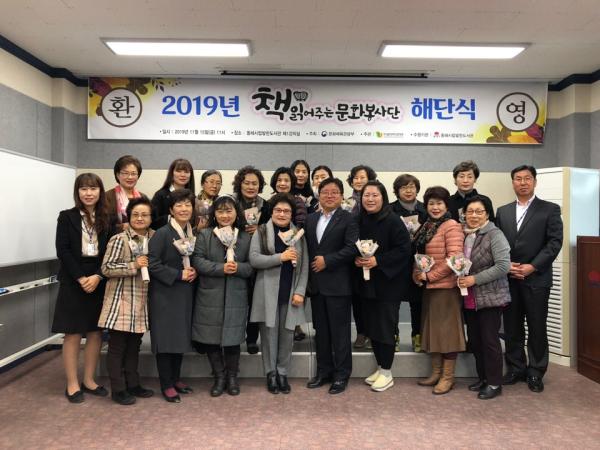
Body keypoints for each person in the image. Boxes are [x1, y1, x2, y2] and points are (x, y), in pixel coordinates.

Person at [496, 165, 563, 393]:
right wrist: (506, 265)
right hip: (509, 277)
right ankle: (516, 368)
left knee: (537, 326)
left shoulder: (549, 209)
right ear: (512, 182)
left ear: (534, 182)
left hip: (537, 278)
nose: (523, 182)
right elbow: (498, 242)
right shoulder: (503, 211)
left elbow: (554, 242)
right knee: (512, 327)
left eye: (527, 178)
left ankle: (536, 371)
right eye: (518, 179)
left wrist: (532, 266)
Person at [51, 173, 113, 403]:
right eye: (84, 189)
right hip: (73, 279)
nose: (88, 193)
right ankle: (72, 383)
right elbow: (63, 250)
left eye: (93, 188)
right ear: (77, 192)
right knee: (73, 332)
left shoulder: (108, 218)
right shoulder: (66, 217)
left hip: (99, 277)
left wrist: (97, 276)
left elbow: (109, 251)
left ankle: (89, 380)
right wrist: (80, 277)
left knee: (96, 332)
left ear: (100, 191)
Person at [192, 195, 254, 397]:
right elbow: (197, 261)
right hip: (209, 295)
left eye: (229, 211)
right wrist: (221, 268)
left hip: (237, 295)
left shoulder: (245, 237)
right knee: (210, 338)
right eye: (220, 211)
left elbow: (252, 266)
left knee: (233, 338)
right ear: (214, 214)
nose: (225, 215)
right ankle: (219, 377)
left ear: (237, 213)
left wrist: (238, 268)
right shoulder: (205, 235)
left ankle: (232, 377)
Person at [250, 193, 309, 394]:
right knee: (268, 335)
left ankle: (283, 372)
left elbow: (304, 266)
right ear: (272, 212)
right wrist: (280, 257)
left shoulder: (298, 234)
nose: (282, 214)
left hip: (290, 292)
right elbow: (254, 259)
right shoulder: (261, 231)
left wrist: (300, 291)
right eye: (278, 210)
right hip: (267, 292)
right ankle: (271, 373)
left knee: (287, 335)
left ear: (292, 214)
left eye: (286, 211)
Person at [99, 196, 155, 405]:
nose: (140, 218)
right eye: (135, 214)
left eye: (145, 215)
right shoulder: (119, 239)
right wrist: (134, 265)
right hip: (121, 299)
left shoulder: (155, 238)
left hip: (142, 300)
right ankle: (118, 389)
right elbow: (106, 268)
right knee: (117, 347)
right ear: (128, 216)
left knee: (134, 346)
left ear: (151, 218)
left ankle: (133, 384)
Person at [355, 181, 411, 392]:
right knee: (372, 327)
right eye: (366, 195)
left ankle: (387, 372)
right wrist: (356, 259)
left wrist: (378, 260)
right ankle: (380, 367)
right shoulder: (359, 220)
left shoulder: (393, 220)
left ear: (383, 197)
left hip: (388, 285)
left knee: (386, 327)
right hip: (366, 283)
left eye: (375, 195)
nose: (370, 199)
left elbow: (404, 250)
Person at [305, 178, 359, 394]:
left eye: (334, 192)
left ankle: (341, 375)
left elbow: (352, 248)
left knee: (340, 333)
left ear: (341, 196)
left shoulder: (349, 218)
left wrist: (327, 260)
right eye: (325, 192)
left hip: (338, 286)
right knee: (321, 332)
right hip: (316, 286)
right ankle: (323, 372)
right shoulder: (310, 219)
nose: (329, 196)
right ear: (318, 195)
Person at [412, 186, 465, 395]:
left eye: (439, 203)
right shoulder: (427, 225)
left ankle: (448, 377)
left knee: (448, 334)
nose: (435, 207)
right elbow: (419, 255)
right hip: (430, 288)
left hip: (446, 288)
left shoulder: (451, 226)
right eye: (431, 203)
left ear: (446, 205)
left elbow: (455, 259)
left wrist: (430, 276)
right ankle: (436, 373)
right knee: (433, 331)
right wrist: (417, 274)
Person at [458, 196, 511, 400]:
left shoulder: (495, 234)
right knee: (475, 341)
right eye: (469, 211)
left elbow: (503, 266)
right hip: (470, 296)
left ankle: (495, 383)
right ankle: (483, 378)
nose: (473, 215)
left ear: (487, 214)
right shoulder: (465, 234)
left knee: (490, 341)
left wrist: (474, 279)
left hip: (490, 296)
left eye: (479, 211)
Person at [148, 189, 197, 403]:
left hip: (184, 292)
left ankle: (176, 378)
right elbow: (152, 264)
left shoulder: (190, 232)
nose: (184, 208)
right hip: (165, 293)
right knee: (166, 339)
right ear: (171, 209)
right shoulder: (162, 233)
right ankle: (166, 384)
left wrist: (193, 271)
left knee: (180, 337)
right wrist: (178, 274)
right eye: (179, 205)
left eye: (187, 204)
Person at [232, 165, 270, 354]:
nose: (250, 186)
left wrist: (260, 229)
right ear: (240, 184)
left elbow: (272, 229)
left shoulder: (266, 205)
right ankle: (233, 338)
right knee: (235, 300)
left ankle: (252, 338)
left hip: (257, 257)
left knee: (255, 300)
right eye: (246, 183)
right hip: (234, 257)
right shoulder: (230, 202)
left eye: (254, 183)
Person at [390, 173, 428, 352]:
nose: (408, 190)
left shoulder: (425, 209)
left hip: (419, 263)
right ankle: (393, 336)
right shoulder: (389, 210)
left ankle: (417, 336)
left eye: (411, 187)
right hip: (396, 264)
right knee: (392, 303)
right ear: (397, 190)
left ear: (417, 189)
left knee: (418, 303)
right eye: (404, 187)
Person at [345, 164, 377, 349]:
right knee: (356, 297)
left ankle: (373, 333)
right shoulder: (346, 203)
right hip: (351, 257)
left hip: (372, 258)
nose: (358, 181)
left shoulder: (375, 201)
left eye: (362, 177)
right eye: (355, 178)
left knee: (371, 298)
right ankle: (361, 332)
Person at [151, 158, 196, 230]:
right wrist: (172, 217)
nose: (183, 175)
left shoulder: (192, 196)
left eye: (186, 172)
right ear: (171, 173)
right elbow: (152, 220)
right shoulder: (161, 195)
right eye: (179, 171)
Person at [105, 155, 144, 232]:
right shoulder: (107, 197)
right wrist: (122, 227)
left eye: (133, 173)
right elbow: (102, 225)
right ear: (117, 175)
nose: (130, 177)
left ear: (138, 176)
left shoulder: (143, 197)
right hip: (115, 238)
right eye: (125, 173)